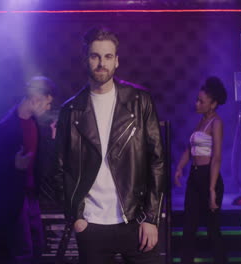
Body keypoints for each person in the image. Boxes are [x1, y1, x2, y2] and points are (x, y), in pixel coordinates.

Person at [54, 27, 165, 264]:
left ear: (117, 61)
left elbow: (157, 161)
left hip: (135, 220)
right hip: (91, 224)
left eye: (107, 56)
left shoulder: (139, 102)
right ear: (86, 59)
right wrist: (76, 216)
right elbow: (58, 168)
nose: (101, 63)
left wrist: (151, 218)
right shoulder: (71, 110)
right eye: (95, 56)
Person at [0, 76, 55, 264]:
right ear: (36, 98)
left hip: (30, 194)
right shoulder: (5, 127)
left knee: (37, 246)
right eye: (47, 103)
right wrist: (13, 164)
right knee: (23, 251)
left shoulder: (36, 123)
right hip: (13, 198)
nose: (48, 108)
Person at [174, 77, 228, 264]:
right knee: (189, 227)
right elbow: (190, 149)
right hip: (195, 176)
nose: (196, 103)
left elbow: (217, 157)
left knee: (212, 229)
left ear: (213, 104)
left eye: (201, 101)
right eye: (197, 99)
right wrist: (180, 167)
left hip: (208, 177)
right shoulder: (200, 122)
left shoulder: (216, 123)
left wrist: (212, 190)